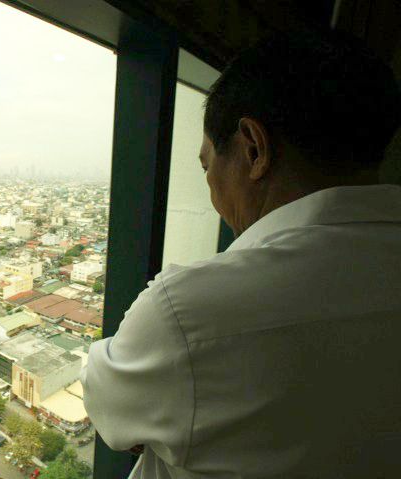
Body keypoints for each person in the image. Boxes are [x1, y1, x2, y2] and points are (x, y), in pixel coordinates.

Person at [81, 28, 401, 479]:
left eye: (207, 165)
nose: (212, 191)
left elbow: (110, 408)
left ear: (253, 148)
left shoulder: (189, 314)